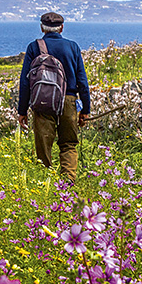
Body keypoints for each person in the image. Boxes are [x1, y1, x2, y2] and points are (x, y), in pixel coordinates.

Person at [18, 12, 90, 180]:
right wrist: (85, 110)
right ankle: (68, 181)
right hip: (68, 101)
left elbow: (25, 82)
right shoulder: (72, 47)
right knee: (68, 144)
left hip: (42, 101)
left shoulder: (34, 47)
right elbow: (82, 82)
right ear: (62, 28)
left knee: (43, 146)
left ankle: (45, 182)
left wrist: (22, 111)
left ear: (42, 28)